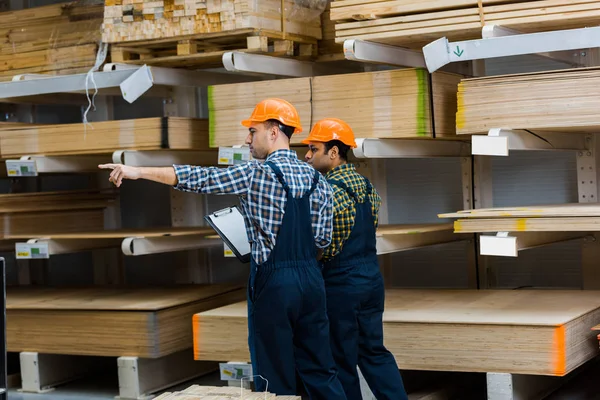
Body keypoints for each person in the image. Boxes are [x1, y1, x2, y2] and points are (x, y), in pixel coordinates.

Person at [98, 99, 347, 399]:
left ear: (273, 131)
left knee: (274, 375)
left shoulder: (256, 174)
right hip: (311, 281)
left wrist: (137, 171)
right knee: (321, 369)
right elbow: (322, 239)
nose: (247, 138)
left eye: (252, 131)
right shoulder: (319, 181)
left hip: (275, 285)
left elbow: (200, 178)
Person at [303, 118, 408, 400]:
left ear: (334, 152)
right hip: (372, 281)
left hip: (341, 285)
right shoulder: (367, 187)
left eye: (314, 149)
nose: (307, 155)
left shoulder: (326, 191)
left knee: (341, 359)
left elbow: (322, 246)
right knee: (375, 353)